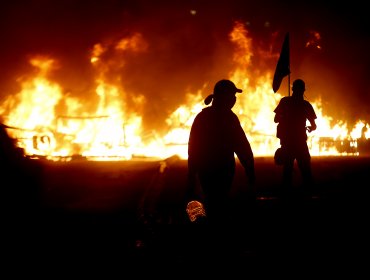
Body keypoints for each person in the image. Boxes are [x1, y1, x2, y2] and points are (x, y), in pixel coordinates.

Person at [187, 79, 255, 226]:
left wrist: (192, 172)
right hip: (223, 169)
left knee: (211, 200)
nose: (234, 99)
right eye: (232, 95)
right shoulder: (229, 118)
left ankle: (212, 229)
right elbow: (242, 146)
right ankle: (217, 231)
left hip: (206, 170)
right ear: (224, 96)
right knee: (219, 202)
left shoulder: (202, 117)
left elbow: (193, 148)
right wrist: (249, 168)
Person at [273, 78, 317, 197]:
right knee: (304, 168)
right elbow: (314, 125)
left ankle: (287, 193)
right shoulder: (304, 105)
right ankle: (306, 192)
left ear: (292, 89)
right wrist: (310, 128)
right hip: (296, 141)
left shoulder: (286, 102)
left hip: (290, 141)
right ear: (303, 90)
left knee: (289, 168)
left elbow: (276, 119)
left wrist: (284, 116)